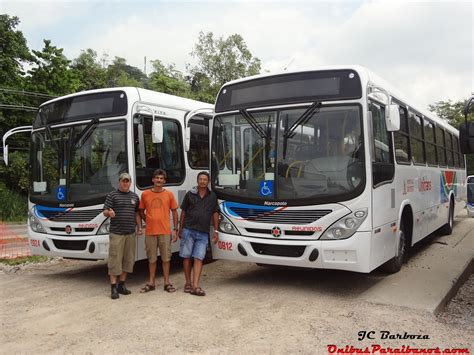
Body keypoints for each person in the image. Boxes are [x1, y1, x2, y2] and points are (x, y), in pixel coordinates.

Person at [178, 171, 219, 296]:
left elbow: (215, 213)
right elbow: (183, 212)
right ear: (197, 181)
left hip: (203, 232)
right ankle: (188, 283)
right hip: (188, 229)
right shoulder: (190, 194)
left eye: (205, 179)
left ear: (208, 182)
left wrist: (216, 231)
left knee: (199, 258)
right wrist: (180, 228)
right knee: (186, 256)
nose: (202, 181)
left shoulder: (212, 196)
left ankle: (196, 285)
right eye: (200, 179)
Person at [139, 169, 179, 293]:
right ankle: (151, 283)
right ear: (153, 179)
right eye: (157, 178)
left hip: (165, 231)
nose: (159, 180)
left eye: (161, 178)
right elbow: (141, 211)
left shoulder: (169, 194)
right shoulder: (145, 194)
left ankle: (167, 282)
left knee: (166, 258)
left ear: (164, 181)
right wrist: (148, 220)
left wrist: (175, 229)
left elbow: (174, 211)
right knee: (151, 259)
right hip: (150, 232)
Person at [103, 172, 142, 300]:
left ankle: (122, 285)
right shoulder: (112, 195)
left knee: (128, 259)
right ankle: (113, 287)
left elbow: (137, 213)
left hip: (130, 233)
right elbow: (104, 211)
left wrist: (140, 227)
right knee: (115, 260)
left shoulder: (135, 197)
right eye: (123, 181)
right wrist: (109, 212)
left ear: (130, 182)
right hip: (117, 233)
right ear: (119, 182)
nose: (126, 183)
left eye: (128, 181)